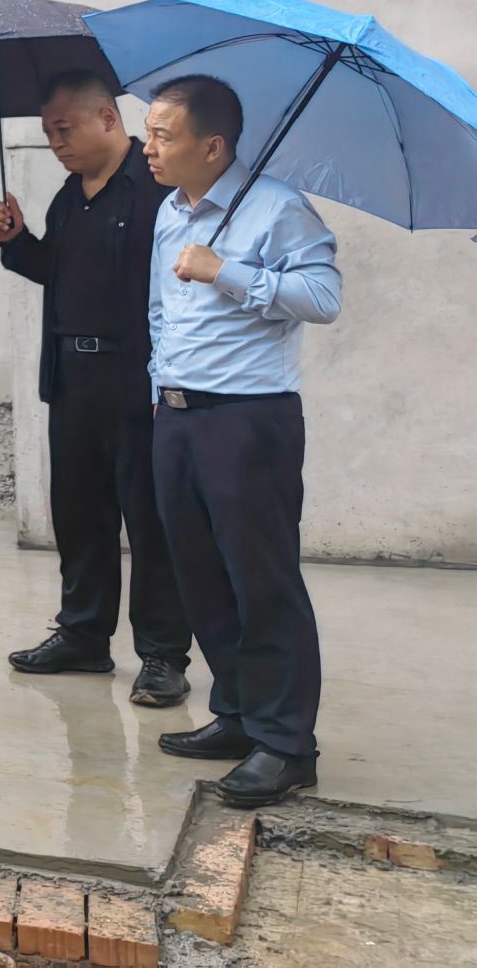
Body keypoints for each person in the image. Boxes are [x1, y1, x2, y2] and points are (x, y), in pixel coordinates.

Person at [143, 74, 341, 808]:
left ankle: (287, 747)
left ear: (212, 145)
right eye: (148, 132)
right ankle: (238, 713)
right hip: (177, 416)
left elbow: (323, 297)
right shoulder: (170, 210)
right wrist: (160, 390)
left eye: (163, 135)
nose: (147, 146)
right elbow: (162, 311)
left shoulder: (278, 208)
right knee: (201, 575)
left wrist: (228, 272)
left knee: (262, 581)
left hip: (247, 421)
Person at [0, 71, 192, 706]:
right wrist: (17, 243)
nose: (55, 143)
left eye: (64, 129)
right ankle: (83, 635)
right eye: (48, 132)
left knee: (151, 521)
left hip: (139, 380)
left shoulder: (158, 191)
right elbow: (59, 272)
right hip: (73, 380)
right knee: (79, 514)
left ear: (107, 118)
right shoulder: (68, 198)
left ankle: (162, 655)